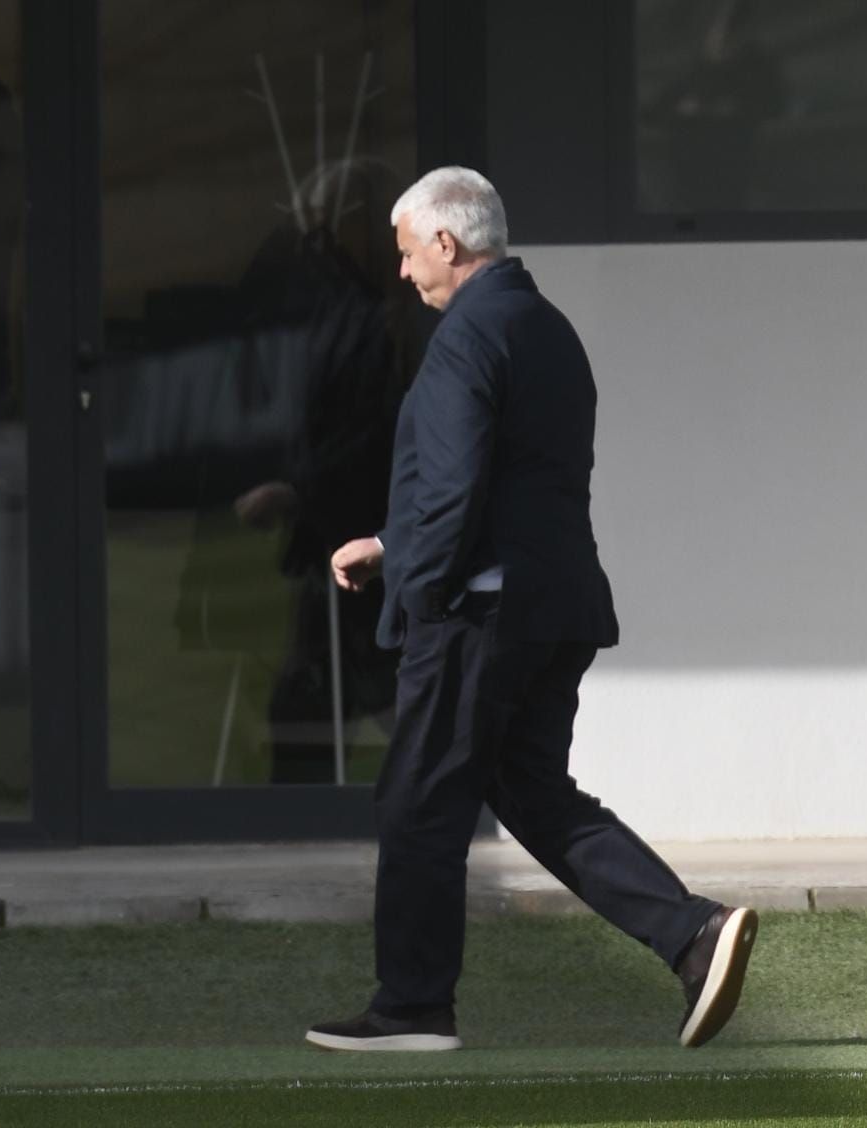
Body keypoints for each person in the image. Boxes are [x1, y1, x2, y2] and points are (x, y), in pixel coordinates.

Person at [306, 167, 757, 1052]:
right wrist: (391, 544)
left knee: (418, 803)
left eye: (408, 252)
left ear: (446, 243)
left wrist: (419, 597)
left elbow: (455, 490)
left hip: (480, 616)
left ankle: (411, 1008)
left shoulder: (464, 340)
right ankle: (692, 934)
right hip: (556, 609)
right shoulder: (547, 328)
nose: (402, 271)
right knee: (534, 793)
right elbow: (510, 480)